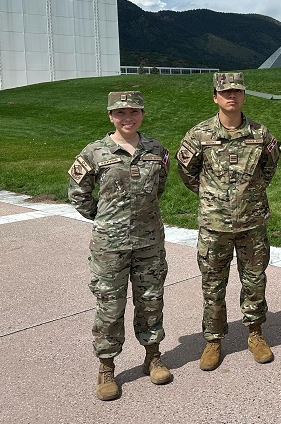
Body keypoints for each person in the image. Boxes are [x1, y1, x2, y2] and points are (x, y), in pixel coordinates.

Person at [68, 91, 172, 401]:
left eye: (133, 112)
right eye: (120, 113)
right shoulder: (95, 152)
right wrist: (104, 218)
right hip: (110, 246)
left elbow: (159, 187)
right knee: (110, 308)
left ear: (142, 113)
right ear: (111, 116)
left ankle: (152, 356)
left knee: (151, 302)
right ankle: (106, 367)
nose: (127, 118)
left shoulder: (156, 150)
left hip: (149, 243)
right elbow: (78, 193)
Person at [177, 72, 279, 370]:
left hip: (252, 225)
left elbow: (269, 169)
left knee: (255, 281)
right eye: (225, 92)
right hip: (214, 226)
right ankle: (213, 340)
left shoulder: (261, 134)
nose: (231, 96)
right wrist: (211, 195)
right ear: (215, 97)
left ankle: (255, 333)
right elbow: (187, 171)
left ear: (244, 96)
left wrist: (252, 193)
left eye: (237, 91)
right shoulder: (200, 134)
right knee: (212, 286)